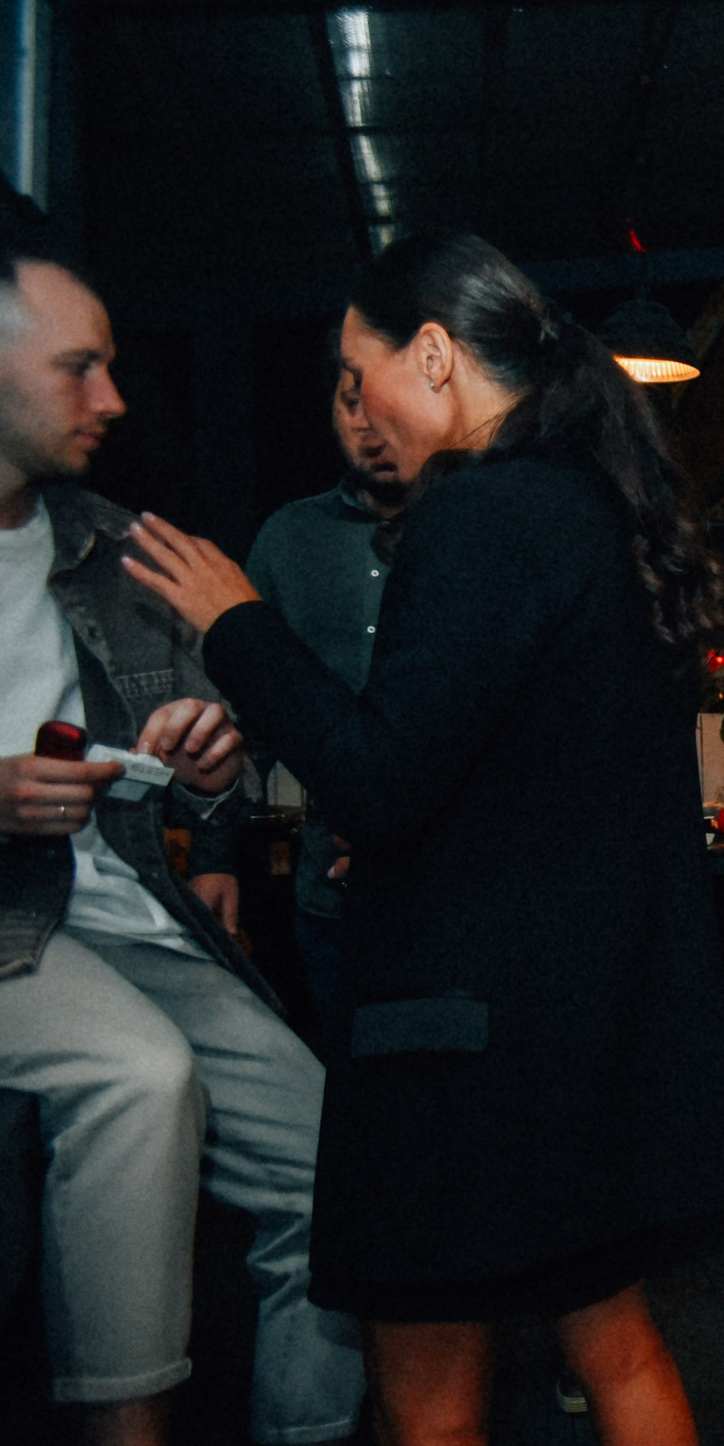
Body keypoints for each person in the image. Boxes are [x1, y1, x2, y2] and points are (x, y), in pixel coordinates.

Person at [122, 230, 724, 1446]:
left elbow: (389, 776)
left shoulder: (481, 513)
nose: (356, 410)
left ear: (437, 357)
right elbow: (529, 778)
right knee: (622, 1352)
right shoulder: (602, 504)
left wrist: (238, 630)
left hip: (457, 1037)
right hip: (593, 1022)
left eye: (359, 375)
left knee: (434, 1415)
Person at [0, 242, 379, 1446]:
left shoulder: (108, 541)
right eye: (78, 366)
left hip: (137, 919)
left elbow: (212, 767)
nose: (112, 393)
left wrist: (212, 773)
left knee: (337, 1153)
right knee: (135, 1074)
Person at [240, 361, 408, 1022]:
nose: (367, 424)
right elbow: (244, 712)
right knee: (345, 1101)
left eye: (383, 404)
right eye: (349, 403)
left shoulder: (471, 532)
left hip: (452, 894)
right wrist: (212, 858)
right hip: (329, 895)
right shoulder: (288, 538)